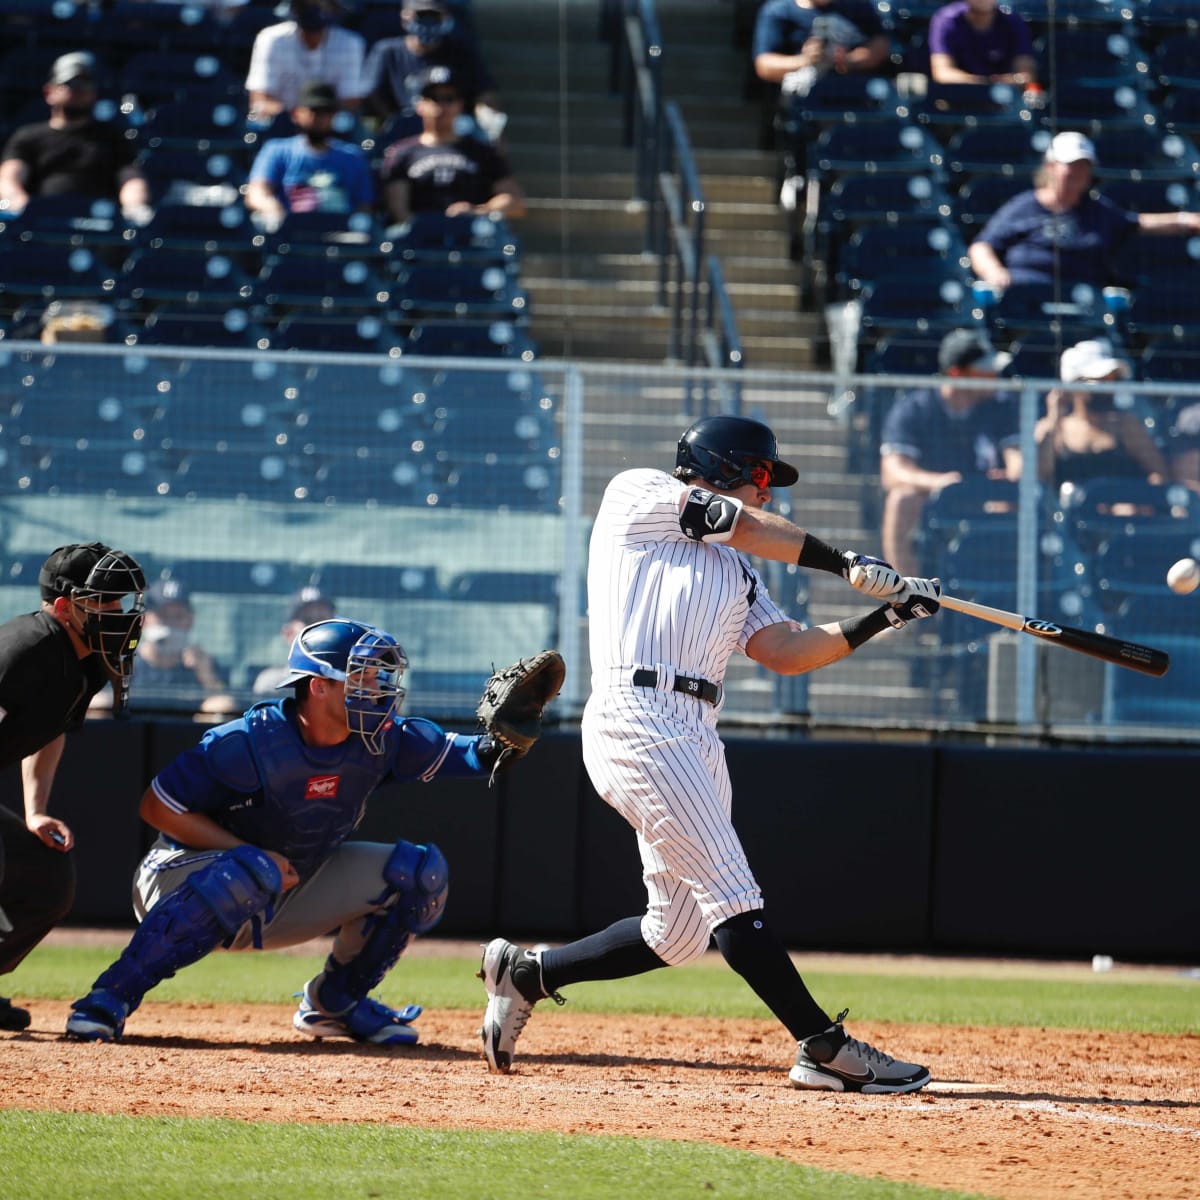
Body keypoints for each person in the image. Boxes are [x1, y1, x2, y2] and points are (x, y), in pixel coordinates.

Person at [478, 415, 940, 1093]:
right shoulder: (638, 495)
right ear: (721, 468)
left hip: (694, 730)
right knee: (732, 893)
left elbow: (786, 652)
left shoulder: (736, 571)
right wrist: (844, 562)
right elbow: (744, 523)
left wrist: (887, 615)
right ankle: (823, 1047)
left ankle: (530, 974)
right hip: (639, 715)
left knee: (679, 932)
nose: (766, 494)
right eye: (759, 477)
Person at [64, 617, 527, 1044]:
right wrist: (244, 852)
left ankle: (334, 1005)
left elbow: (474, 756)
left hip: (286, 886)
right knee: (249, 870)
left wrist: (511, 737)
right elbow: (157, 808)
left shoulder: (381, 738)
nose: (377, 688)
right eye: (360, 676)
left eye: (377, 676)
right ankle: (108, 998)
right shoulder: (245, 743)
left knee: (420, 872)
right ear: (318, 686)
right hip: (178, 879)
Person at [0, 543, 145, 1033]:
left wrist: (35, 810)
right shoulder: (25, 651)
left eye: (121, 602)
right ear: (64, 608)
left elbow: (51, 728)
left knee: (46, 876)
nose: (118, 613)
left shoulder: (89, 660)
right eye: (103, 601)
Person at [968, 132, 1200, 293]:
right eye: (1071, 165)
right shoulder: (1022, 206)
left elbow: (1140, 223)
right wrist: (994, 272)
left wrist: (1188, 220)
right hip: (1025, 298)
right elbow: (981, 246)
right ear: (1051, 166)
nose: (1077, 172)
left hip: (1082, 301)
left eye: (1083, 165)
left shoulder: (1098, 211)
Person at [880, 328, 1021, 577]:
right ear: (957, 374)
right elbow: (892, 472)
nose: (995, 375)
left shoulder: (1000, 405)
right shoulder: (916, 408)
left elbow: (1017, 462)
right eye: (985, 370)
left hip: (984, 497)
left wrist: (1010, 477)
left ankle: (1004, 595)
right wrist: (943, 483)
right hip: (934, 502)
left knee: (1016, 500)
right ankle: (908, 600)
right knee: (901, 500)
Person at [0, 52, 150, 218]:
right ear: (49, 92)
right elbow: (9, 178)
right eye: (71, 84)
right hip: (40, 224)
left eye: (86, 84)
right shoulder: (27, 136)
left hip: (97, 223)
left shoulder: (112, 137)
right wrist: (20, 205)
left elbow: (131, 179)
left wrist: (134, 208)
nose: (79, 90)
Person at [378, 66, 525, 226]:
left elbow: (514, 203)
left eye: (449, 98)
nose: (441, 106)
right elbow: (399, 211)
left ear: (460, 105)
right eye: (434, 98)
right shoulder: (401, 152)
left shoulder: (482, 152)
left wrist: (477, 211)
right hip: (418, 242)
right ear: (420, 105)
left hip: (472, 237)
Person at [362, 1, 506, 143]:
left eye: (434, 16)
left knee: (482, 138)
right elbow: (371, 93)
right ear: (405, 17)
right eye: (421, 15)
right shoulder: (387, 51)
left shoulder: (461, 52)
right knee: (367, 141)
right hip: (401, 127)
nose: (428, 22)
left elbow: (484, 92)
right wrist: (395, 121)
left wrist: (491, 124)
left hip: (453, 127)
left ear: (447, 17)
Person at [1035, 338, 1171, 488]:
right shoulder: (1050, 428)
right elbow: (1038, 476)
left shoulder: (1127, 426)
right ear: (1073, 384)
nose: (1108, 388)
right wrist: (1053, 418)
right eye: (1099, 381)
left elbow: (1159, 473)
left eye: (1112, 380)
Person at [245, 80, 375, 228]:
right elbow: (256, 193)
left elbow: (364, 206)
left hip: (340, 238)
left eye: (326, 112)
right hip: (290, 237)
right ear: (296, 113)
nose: (320, 118)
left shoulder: (353, 157)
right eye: (314, 111)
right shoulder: (276, 150)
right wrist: (273, 210)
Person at [244, 0, 368, 121]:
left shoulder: (350, 43)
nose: (314, 8)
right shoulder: (271, 39)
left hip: (330, 125)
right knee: (256, 125)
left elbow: (350, 103)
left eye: (322, 4)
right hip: (283, 122)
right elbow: (259, 101)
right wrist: (300, 116)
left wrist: (317, 117)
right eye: (305, 4)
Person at [129, 579, 236, 716]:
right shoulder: (125, 662)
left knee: (223, 705)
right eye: (163, 616)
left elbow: (225, 700)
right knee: (100, 703)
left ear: (190, 621)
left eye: (178, 617)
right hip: (134, 732)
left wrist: (206, 675)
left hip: (189, 733)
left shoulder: (204, 663)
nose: (171, 624)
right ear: (142, 621)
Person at [752, 0, 891, 94]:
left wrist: (848, 60)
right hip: (805, 95)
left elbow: (881, 44)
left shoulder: (857, 5)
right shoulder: (779, 10)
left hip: (855, 92)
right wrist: (805, 60)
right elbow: (764, 65)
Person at [927, 0, 1037, 86]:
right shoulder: (946, 20)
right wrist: (983, 83)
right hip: (956, 101)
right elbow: (942, 73)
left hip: (1004, 102)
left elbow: (1026, 75)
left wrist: (1003, 82)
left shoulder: (1012, 22)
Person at [252, 586, 337, 693]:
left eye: (323, 621)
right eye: (308, 621)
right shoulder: (272, 685)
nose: (317, 628)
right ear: (288, 633)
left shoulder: (350, 683)